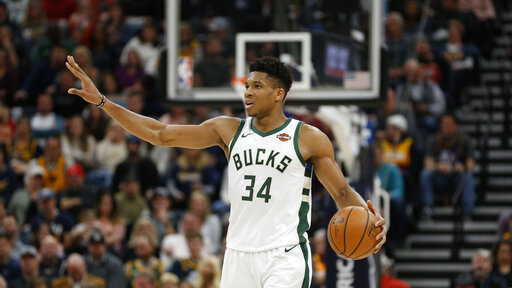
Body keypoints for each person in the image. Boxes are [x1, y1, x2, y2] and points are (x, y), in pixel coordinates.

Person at [66, 55, 386, 287]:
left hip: (284, 254)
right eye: (246, 85)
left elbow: (342, 192)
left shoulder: (308, 137)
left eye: (256, 86)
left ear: (279, 94)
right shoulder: (227, 130)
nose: (247, 91)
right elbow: (160, 133)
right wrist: (104, 102)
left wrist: (366, 219)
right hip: (236, 255)